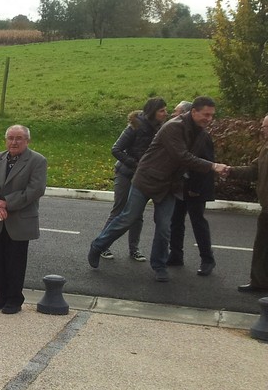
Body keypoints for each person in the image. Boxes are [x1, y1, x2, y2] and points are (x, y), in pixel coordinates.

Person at [88, 96, 228, 282]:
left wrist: (200, 183)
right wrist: (213, 166)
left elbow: (192, 161)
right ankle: (98, 246)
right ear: (194, 112)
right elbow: (181, 156)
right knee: (128, 218)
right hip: (147, 179)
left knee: (164, 227)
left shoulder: (202, 134)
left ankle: (159, 266)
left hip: (170, 185)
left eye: (211, 115)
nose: (209, 119)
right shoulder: (173, 127)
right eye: (206, 115)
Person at [0, 125, 48, 314]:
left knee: (15, 262)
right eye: (10, 138)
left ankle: (14, 299)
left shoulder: (37, 161)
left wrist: (6, 203)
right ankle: (0, 296)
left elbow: (35, 190)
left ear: (27, 140)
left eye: (19, 138)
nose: (14, 142)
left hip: (20, 221)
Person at [101, 97, 168, 261]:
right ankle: (102, 245)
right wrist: (135, 164)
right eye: (162, 111)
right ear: (153, 112)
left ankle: (134, 249)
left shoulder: (161, 128)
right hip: (126, 173)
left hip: (143, 177)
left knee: (137, 213)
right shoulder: (135, 126)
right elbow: (116, 149)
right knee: (119, 209)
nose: (166, 113)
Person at [166, 102, 216, 276]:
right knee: (176, 221)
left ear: (188, 113)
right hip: (180, 186)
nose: (173, 115)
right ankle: (176, 255)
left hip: (195, 187)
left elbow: (207, 165)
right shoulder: (181, 132)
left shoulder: (203, 136)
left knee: (198, 223)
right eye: (207, 115)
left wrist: (196, 188)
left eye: (177, 112)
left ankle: (207, 260)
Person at [227, 114, 268, 292]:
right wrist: (229, 171)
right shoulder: (265, 147)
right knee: (261, 247)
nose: (263, 130)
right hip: (266, 206)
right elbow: (254, 170)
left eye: (265, 127)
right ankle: (259, 282)